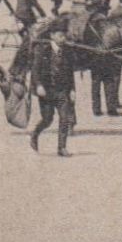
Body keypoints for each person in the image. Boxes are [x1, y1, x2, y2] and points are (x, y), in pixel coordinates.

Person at [30, 23, 77, 157]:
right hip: (47, 91)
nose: (63, 39)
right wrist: (38, 86)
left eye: (64, 36)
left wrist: (72, 90)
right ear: (52, 36)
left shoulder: (67, 52)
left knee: (64, 118)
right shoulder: (42, 50)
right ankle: (35, 134)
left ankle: (62, 148)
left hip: (62, 90)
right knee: (47, 119)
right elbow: (35, 70)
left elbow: (70, 72)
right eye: (60, 36)